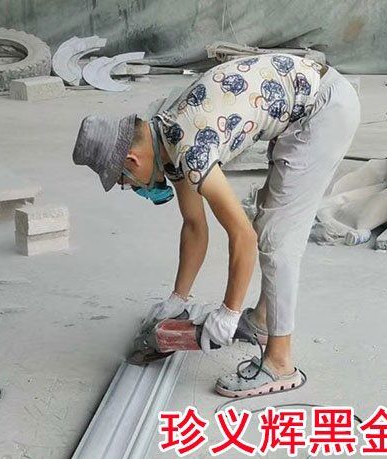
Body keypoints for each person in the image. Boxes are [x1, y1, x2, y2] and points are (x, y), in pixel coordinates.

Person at [72, 52, 360, 398]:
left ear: (132, 160)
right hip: (302, 103)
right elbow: (194, 225)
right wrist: (177, 298)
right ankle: (264, 322)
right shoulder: (165, 135)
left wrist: (228, 312)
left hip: (323, 109)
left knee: (277, 240)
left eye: (124, 180)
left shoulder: (190, 148)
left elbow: (242, 237)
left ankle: (280, 363)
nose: (131, 187)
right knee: (268, 220)